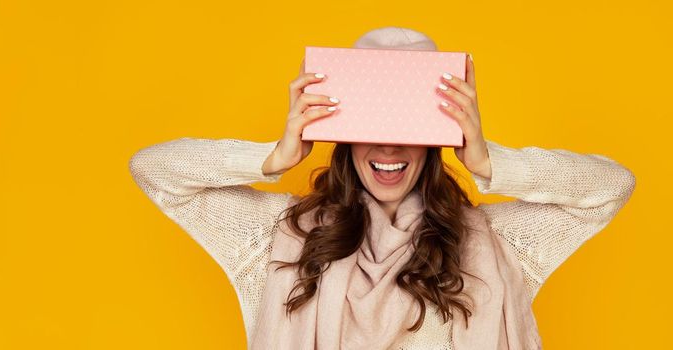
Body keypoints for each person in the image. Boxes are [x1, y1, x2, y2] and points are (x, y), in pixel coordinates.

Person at [127, 26, 636, 349]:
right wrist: (274, 157)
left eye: (408, 132)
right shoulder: (276, 237)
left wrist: (487, 160)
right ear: (345, 138)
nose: (389, 151)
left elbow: (613, 186)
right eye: (372, 129)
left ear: (434, 142)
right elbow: (154, 170)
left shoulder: (495, 242)